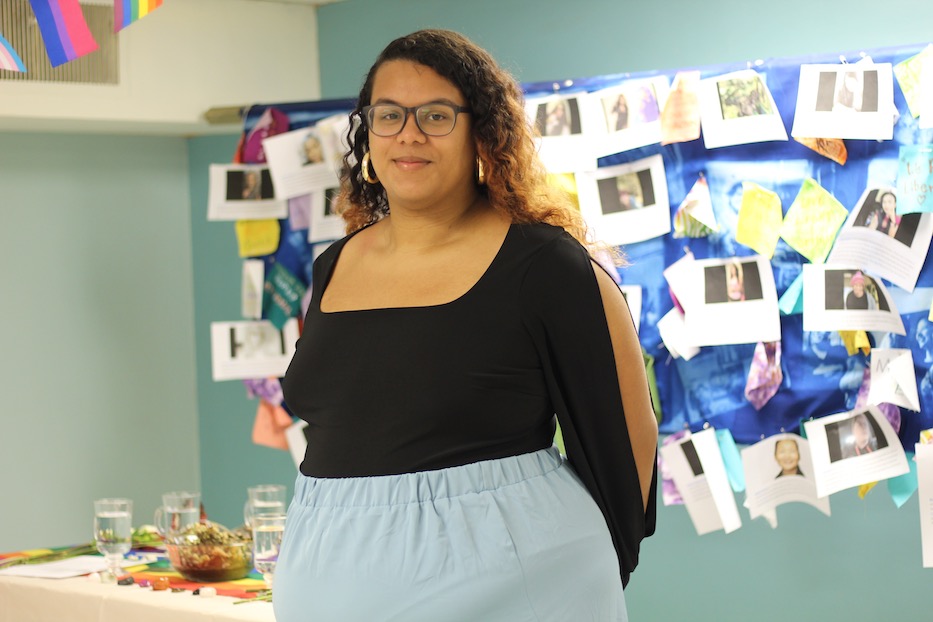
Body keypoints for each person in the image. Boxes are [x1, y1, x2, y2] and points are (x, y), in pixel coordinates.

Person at [275, 29, 658, 622]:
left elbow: (628, 434)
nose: (409, 133)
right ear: (366, 132)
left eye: (435, 115)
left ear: (481, 131)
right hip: (327, 577)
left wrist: (599, 572)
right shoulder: (335, 264)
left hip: (510, 580)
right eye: (388, 115)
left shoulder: (542, 263)